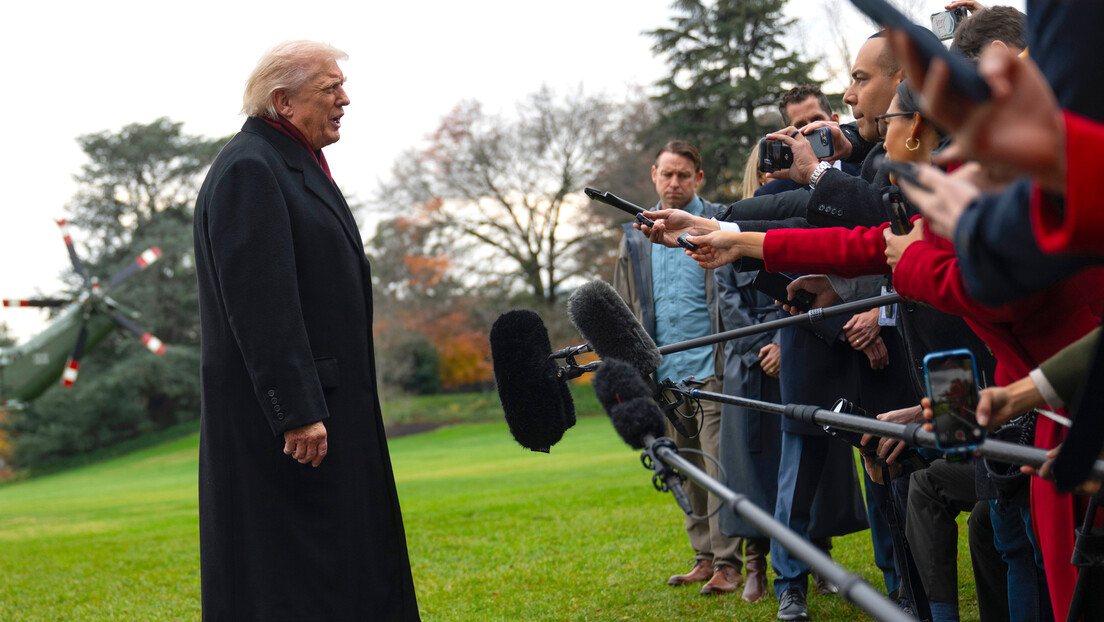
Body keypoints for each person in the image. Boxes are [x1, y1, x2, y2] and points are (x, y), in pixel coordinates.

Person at [192, 40, 420, 621]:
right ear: (283, 101)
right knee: (295, 577)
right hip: (295, 426)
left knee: (341, 570)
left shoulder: (288, 163)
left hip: (330, 407)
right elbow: (260, 303)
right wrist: (295, 410)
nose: (346, 99)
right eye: (330, 88)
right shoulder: (251, 169)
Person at [612, 141, 743, 595]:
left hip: (713, 371)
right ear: (653, 175)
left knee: (719, 467)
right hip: (663, 377)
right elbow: (623, 307)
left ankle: (729, 563)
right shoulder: (635, 236)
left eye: (683, 175)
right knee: (684, 467)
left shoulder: (717, 224)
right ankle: (704, 558)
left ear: (698, 178)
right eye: (666, 174)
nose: (674, 183)